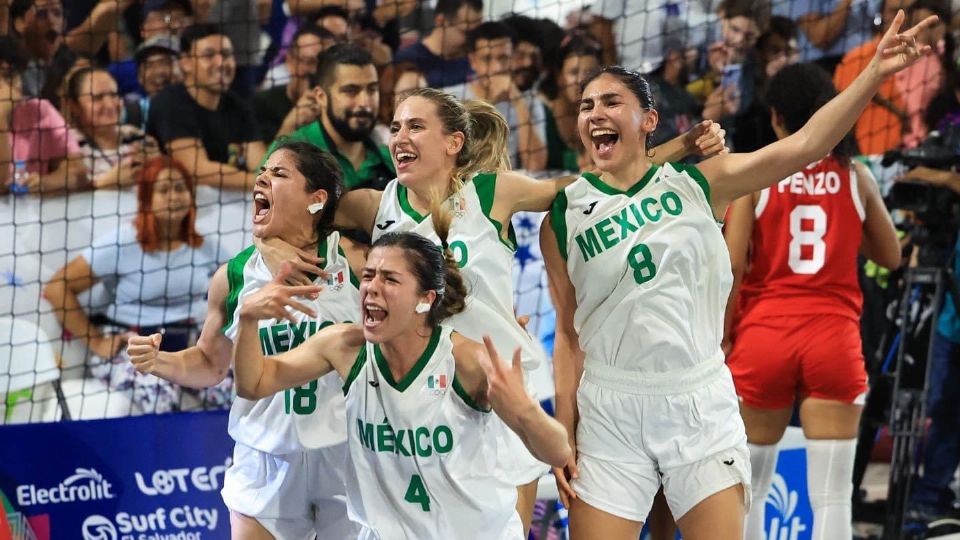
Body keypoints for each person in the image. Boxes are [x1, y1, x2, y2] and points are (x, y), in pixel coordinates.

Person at [540, 11, 936, 539]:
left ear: (649, 119)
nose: (594, 113)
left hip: (697, 397)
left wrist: (873, 73)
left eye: (611, 102)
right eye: (587, 105)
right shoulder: (563, 214)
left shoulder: (703, 182)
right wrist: (563, 429)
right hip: (609, 406)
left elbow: (805, 146)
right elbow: (567, 333)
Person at [260, 86, 727, 533]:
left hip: (500, 396)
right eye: (397, 127)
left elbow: (592, 186)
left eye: (415, 127)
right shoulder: (372, 205)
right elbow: (293, 211)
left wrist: (680, 146)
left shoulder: (493, 193)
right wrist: (270, 245)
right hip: (420, 406)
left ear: (453, 142)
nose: (400, 137)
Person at [233, 226, 572, 539]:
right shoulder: (344, 348)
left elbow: (557, 450)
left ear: (425, 299)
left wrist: (526, 412)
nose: (371, 288)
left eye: (389, 279)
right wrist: (248, 318)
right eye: (368, 275)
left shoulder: (469, 362)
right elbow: (254, 383)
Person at [126, 141, 364, 539]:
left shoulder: (357, 261)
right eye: (263, 171)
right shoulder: (233, 276)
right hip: (264, 458)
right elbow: (210, 363)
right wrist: (159, 362)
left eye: (280, 173)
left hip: (344, 455)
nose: (262, 177)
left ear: (316, 199)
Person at [723, 63, 901, 540]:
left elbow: (730, 269)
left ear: (776, 117)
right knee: (833, 497)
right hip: (833, 338)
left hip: (764, 338)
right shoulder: (855, 176)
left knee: (749, 491)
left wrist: (721, 339)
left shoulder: (756, 175)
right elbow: (891, 254)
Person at [42, 156, 229, 414]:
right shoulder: (123, 242)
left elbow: (238, 294)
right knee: (159, 394)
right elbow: (56, 288)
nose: (174, 196)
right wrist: (96, 342)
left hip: (189, 345)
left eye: (180, 188)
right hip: (133, 347)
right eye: (164, 190)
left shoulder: (206, 247)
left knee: (231, 387)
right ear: (146, 199)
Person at [147, 23, 265, 190]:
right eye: (209, 55)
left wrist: (265, 180)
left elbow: (260, 165)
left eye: (226, 54)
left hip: (233, 200)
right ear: (186, 63)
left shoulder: (237, 106)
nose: (220, 63)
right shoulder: (169, 102)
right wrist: (264, 183)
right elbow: (196, 170)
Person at [266, 43, 394, 193]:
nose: (364, 103)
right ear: (321, 97)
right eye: (351, 91)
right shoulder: (291, 154)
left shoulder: (389, 157)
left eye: (372, 89)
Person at [61, 66, 160, 189]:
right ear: (74, 106)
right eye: (97, 98)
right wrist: (105, 183)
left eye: (114, 95)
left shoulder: (137, 137)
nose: (110, 104)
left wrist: (158, 166)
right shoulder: (66, 145)